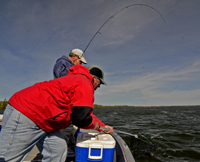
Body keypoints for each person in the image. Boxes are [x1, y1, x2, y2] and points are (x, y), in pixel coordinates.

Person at [0, 64, 113, 162]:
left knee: (57, 150)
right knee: (8, 158)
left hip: (46, 123)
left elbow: (85, 112)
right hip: (27, 112)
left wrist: (102, 127)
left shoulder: (77, 81)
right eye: (100, 83)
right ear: (94, 78)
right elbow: (81, 118)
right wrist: (95, 125)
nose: (99, 86)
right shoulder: (85, 82)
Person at [53, 48, 87, 161]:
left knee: (71, 132)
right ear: (75, 56)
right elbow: (62, 79)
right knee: (64, 134)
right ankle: (66, 155)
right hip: (62, 106)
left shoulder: (70, 65)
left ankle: (71, 154)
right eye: (80, 61)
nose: (81, 63)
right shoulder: (61, 62)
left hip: (69, 105)